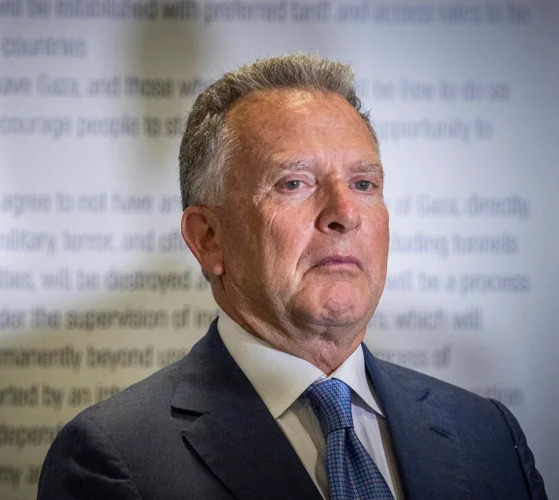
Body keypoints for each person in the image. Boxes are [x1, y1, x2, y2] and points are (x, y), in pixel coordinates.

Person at [37, 54, 547, 500]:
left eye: (363, 183)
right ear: (209, 238)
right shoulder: (116, 457)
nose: (344, 213)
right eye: (294, 183)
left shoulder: (488, 434)